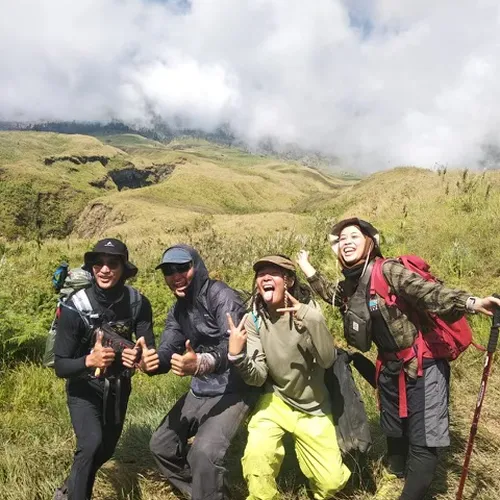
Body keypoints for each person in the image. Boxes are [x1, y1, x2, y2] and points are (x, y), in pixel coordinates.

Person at [297, 218, 500, 500]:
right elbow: (333, 297)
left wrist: (471, 303)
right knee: (393, 426)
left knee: (423, 439)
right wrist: (308, 269)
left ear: (370, 242)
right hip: (390, 366)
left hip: (423, 364)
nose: (346, 242)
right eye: (341, 239)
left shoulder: (389, 270)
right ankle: (396, 472)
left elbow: (428, 292)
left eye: (354, 236)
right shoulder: (351, 284)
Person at [228, 255, 351, 500]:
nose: (264, 278)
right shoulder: (253, 320)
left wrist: (312, 321)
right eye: (260, 274)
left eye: (273, 273)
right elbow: (258, 377)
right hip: (276, 401)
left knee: (331, 483)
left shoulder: (309, 313)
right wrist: (237, 355)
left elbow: (327, 360)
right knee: (257, 460)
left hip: (313, 405)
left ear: (290, 281)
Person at [144, 244, 257, 500]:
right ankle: (205, 493)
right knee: (161, 446)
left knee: (203, 453)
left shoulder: (220, 295)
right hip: (200, 390)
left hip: (234, 389)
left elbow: (235, 345)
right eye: (169, 271)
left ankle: (207, 492)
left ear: (197, 266)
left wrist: (202, 363)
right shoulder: (177, 310)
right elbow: (168, 349)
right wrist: (151, 362)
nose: (176, 276)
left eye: (183, 268)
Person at [53, 238, 155, 500]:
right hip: (83, 388)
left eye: (112, 263)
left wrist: (142, 357)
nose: (104, 269)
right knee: (90, 445)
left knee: (106, 449)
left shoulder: (138, 303)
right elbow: (61, 365)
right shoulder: (75, 306)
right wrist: (90, 360)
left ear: (124, 268)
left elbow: (147, 349)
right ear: (91, 268)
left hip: (119, 387)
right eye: (98, 263)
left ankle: (68, 487)